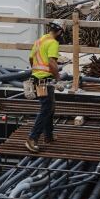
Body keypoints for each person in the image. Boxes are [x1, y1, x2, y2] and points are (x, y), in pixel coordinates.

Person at [25, 20, 65, 152]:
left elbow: (31, 59)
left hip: (38, 79)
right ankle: (32, 138)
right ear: (59, 32)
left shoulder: (39, 40)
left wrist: (36, 72)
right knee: (46, 108)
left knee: (50, 107)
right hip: (45, 80)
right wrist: (58, 79)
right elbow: (52, 62)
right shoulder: (53, 42)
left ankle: (48, 136)